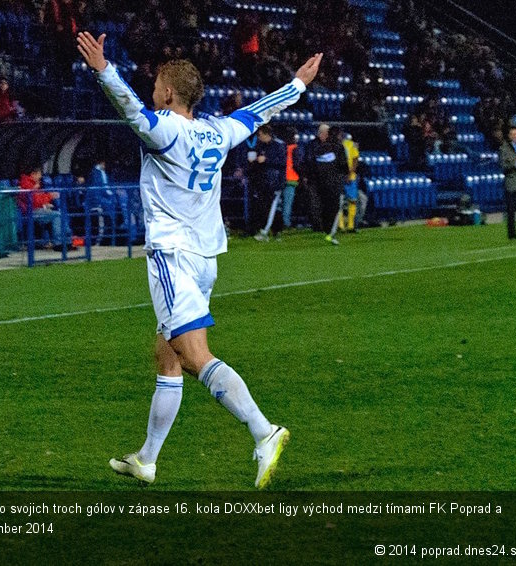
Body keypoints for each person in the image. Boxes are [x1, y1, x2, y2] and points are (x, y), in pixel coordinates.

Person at [77, 31, 322, 488]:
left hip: (173, 256)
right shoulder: (217, 131)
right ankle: (147, 458)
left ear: (169, 93)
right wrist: (298, 86)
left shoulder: (167, 130)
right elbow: (256, 112)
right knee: (167, 356)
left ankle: (263, 431)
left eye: (156, 85)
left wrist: (103, 70)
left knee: (194, 357)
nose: (152, 91)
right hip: (206, 257)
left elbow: (131, 109)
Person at [305, 123, 348, 244]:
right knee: (334, 207)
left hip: (320, 182)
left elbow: (312, 164)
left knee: (324, 206)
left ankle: (325, 229)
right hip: (334, 182)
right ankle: (331, 233)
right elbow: (343, 165)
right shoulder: (338, 147)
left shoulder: (318, 148)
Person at [249, 125, 286, 241]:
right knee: (266, 208)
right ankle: (276, 231)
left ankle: (265, 232)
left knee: (273, 208)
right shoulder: (260, 146)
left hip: (275, 181)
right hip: (263, 181)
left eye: (260, 135)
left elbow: (282, 162)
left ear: (266, 134)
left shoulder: (278, 145)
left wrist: (267, 160)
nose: (258, 137)